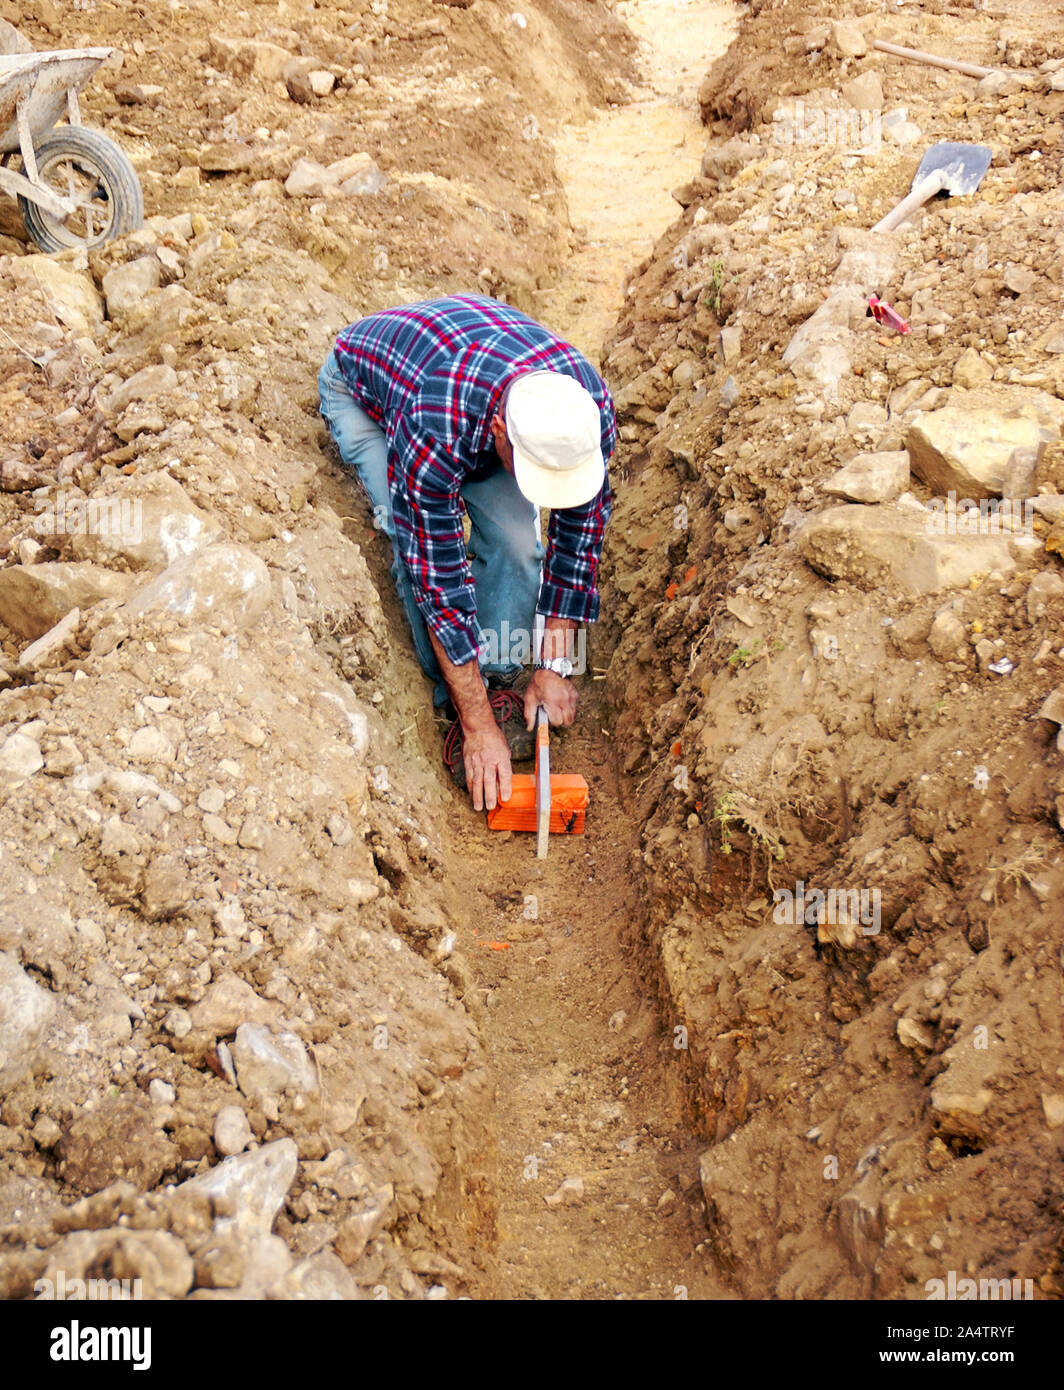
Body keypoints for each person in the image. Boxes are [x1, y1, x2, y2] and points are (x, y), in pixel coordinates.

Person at [318, 293, 615, 811]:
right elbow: (438, 574)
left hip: (472, 369)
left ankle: (498, 670)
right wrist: (477, 723)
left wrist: (553, 664)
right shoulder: (434, 420)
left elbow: (578, 535)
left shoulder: (585, 413)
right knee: (401, 525)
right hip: (369, 389)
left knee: (520, 541)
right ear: (501, 432)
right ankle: (456, 699)